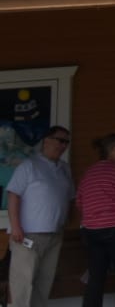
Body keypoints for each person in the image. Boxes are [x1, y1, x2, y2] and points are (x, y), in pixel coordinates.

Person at [5, 125, 75, 307]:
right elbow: (13, 195)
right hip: (28, 234)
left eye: (67, 142)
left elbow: (70, 197)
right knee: (23, 282)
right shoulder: (29, 166)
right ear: (47, 140)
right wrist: (16, 226)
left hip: (54, 234)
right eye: (60, 140)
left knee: (44, 282)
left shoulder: (65, 169)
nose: (63, 145)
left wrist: (67, 218)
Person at [78, 133, 115, 307]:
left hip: (91, 230)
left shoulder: (89, 172)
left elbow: (80, 200)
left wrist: (92, 218)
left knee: (96, 277)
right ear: (114, 149)